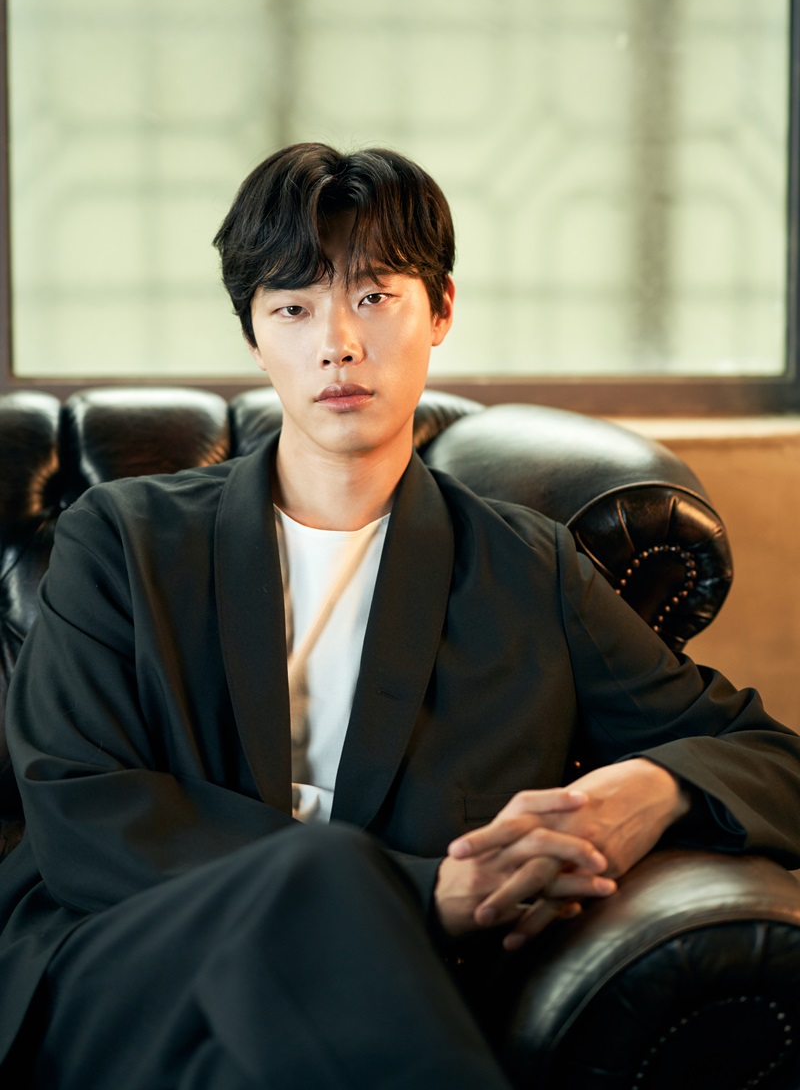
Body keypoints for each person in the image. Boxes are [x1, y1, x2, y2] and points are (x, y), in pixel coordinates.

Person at [0, 142, 799, 1089]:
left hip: (335, 1017)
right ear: (254, 337)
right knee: (322, 874)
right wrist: (421, 889)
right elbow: (80, 808)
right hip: (123, 970)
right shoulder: (122, 538)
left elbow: (766, 756)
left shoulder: (527, 569)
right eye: (293, 309)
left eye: (374, 296)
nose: (337, 342)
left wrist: (651, 788)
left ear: (442, 308)